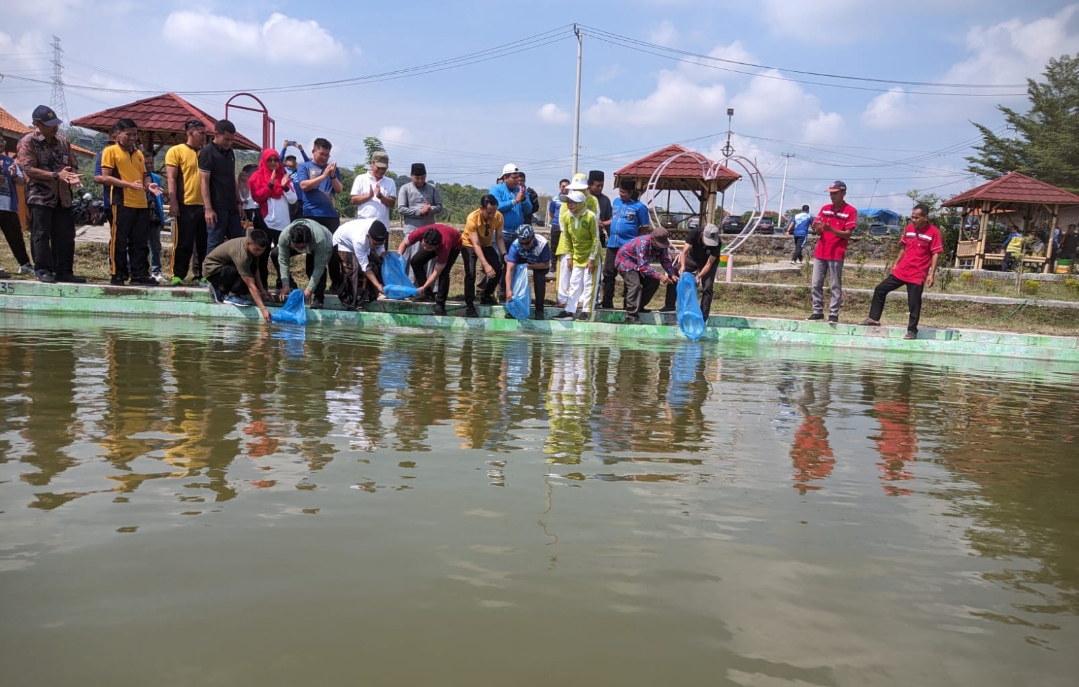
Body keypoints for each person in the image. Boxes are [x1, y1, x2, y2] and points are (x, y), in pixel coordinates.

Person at [16, 105, 85, 284]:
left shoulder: (63, 140)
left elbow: (72, 162)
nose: (54, 127)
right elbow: (28, 169)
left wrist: (72, 176)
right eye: (49, 124)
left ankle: (64, 271)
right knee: (41, 233)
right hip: (40, 196)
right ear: (37, 124)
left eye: (56, 123)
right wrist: (56, 175)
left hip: (63, 196)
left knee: (66, 234)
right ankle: (43, 269)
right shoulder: (27, 142)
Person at [859, 204, 943, 340]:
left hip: (918, 273)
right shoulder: (909, 228)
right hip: (902, 270)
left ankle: (912, 331)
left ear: (925, 217)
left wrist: (931, 274)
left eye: (916, 217)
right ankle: (874, 319)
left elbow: (935, 254)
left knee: (914, 303)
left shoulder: (934, 232)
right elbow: (903, 247)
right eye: (912, 217)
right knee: (880, 289)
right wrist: (896, 263)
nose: (913, 220)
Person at [100, 118, 161, 286]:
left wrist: (149, 185)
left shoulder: (139, 153)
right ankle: (117, 274)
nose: (133, 138)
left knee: (140, 241)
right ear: (116, 135)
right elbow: (105, 176)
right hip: (121, 201)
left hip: (141, 203)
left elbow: (144, 176)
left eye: (135, 134)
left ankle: (139, 274)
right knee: (119, 240)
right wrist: (127, 184)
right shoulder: (110, 151)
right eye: (128, 134)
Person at [164, 119, 208, 285]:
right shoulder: (176, 151)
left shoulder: (205, 153)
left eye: (205, 133)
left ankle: (201, 275)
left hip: (204, 206)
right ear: (190, 132)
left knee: (202, 243)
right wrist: (174, 202)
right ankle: (178, 274)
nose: (204, 136)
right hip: (185, 204)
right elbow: (171, 178)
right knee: (183, 241)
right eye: (201, 133)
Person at [297, 138, 343, 291]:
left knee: (334, 250)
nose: (324, 157)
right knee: (313, 250)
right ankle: (315, 286)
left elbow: (339, 189)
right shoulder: (305, 166)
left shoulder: (333, 169)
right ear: (313, 151)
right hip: (312, 215)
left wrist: (332, 176)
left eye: (327, 155)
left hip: (331, 215)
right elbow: (304, 186)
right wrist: (323, 175)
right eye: (321, 154)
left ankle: (336, 284)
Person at [247, 149, 297, 289]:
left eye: (276, 160)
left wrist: (284, 186)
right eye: (270, 160)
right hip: (264, 221)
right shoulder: (257, 176)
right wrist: (270, 184)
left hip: (283, 224)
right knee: (261, 256)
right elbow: (257, 196)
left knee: (282, 256)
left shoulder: (285, 177)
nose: (273, 163)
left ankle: (284, 283)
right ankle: (261, 285)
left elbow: (293, 200)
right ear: (264, 161)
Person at [807, 180, 856, 323]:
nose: (832, 196)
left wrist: (831, 230)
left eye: (835, 193)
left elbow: (847, 234)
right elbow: (818, 229)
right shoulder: (825, 208)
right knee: (816, 283)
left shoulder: (850, 211)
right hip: (821, 251)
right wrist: (816, 228)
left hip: (836, 253)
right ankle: (817, 311)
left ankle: (833, 313)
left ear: (843, 193)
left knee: (835, 284)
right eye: (831, 194)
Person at [203, 228, 274, 323]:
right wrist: (263, 309)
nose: (259, 253)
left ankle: (221, 288)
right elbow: (250, 284)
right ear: (248, 243)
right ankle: (231, 296)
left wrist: (262, 290)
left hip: (225, 267)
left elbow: (255, 269)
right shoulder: (242, 256)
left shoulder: (252, 249)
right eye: (256, 250)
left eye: (262, 250)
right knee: (246, 279)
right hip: (212, 271)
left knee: (249, 273)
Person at [600, 178, 650, 309]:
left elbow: (644, 227)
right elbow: (614, 219)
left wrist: (634, 240)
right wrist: (605, 223)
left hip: (628, 248)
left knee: (629, 275)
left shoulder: (640, 207)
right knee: (608, 273)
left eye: (624, 192)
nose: (621, 194)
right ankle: (607, 302)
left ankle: (628, 305)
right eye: (620, 191)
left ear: (631, 192)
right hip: (612, 245)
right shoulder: (616, 202)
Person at [551, 190, 600, 321]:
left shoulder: (590, 216)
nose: (570, 205)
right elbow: (566, 237)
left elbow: (596, 239)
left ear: (581, 203)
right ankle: (569, 311)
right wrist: (569, 256)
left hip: (591, 255)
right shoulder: (567, 216)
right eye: (568, 202)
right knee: (574, 282)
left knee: (588, 282)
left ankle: (586, 312)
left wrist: (591, 258)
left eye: (573, 202)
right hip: (577, 255)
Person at [615, 227, 678, 324]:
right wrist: (660, 276)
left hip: (639, 264)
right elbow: (643, 266)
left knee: (653, 282)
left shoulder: (662, 246)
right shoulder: (643, 243)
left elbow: (665, 260)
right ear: (652, 239)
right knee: (635, 285)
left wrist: (671, 273)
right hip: (626, 262)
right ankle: (631, 315)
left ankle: (639, 306)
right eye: (658, 244)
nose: (660, 247)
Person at [397, 223, 461, 316]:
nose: (425, 248)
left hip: (454, 245)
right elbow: (404, 243)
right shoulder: (420, 232)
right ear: (422, 239)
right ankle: (427, 295)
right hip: (436, 240)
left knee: (443, 273)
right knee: (415, 261)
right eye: (424, 245)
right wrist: (398, 259)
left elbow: (436, 273)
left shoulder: (444, 246)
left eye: (429, 247)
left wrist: (423, 287)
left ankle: (440, 304)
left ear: (436, 246)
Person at [198, 119, 242, 254]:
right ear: (216, 134)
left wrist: (239, 201)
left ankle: (234, 274)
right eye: (226, 139)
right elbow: (203, 182)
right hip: (216, 206)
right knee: (215, 242)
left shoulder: (230, 152)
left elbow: (232, 178)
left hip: (232, 205)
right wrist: (208, 209)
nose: (229, 143)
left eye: (231, 140)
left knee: (237, 242)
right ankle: (210, 274)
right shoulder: (207, 152)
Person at [662, 223, 722, 319]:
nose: (708, 244)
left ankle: (703, 316)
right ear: (702, 235)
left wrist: (698, 276)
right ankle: (669, 305)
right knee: (674, 272)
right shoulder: (695, 232)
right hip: (693, 257)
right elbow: (684, 252)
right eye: (707, 241)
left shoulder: (718, 243)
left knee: (708, 286)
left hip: (708, 262)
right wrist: (682, 266)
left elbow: (709, 264)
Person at [461, 194, 505, 318]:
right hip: (469, 245)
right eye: (488, 212)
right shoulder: (472, 218)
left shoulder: (499, 216)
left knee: (497, 270)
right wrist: (485, 264)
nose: (491, 215)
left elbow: (499, 238)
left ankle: (486, 296)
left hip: (486, 245)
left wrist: (505, 254)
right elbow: (475, 244)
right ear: (481, 208)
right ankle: (469, 305)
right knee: (470, 274)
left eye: (494, 212)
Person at [275, 218, 333, 307]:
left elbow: (319, 267)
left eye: (303, 247)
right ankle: (291, 287)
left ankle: (318, 298)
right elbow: (283, 262)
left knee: (312, 267)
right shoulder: (284, 237)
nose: (301, 249)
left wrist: (309, 289)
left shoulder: (319, 239)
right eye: (298, 247)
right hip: (302, 243)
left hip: (323, 243)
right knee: (275, 254)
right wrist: (285, 284)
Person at [333, 218, 388, 310]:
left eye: (380, 243)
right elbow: (365, 267)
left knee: (376, 264)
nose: (378, 246)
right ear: (368, 236)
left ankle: (367, 296)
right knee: (355, 270)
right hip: (344, 243)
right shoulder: (360, 240)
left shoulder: (381, 232)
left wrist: (383, 257)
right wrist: (378, 285)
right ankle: (352, 302)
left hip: (361, 245)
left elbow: (381, 252)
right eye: (375, 244)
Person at [0, 139, 33, 278]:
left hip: (8, 205)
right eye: (0, 140)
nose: (2, 143)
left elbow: (21, 181)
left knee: (15, 236)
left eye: (3, 140)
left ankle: (24, 264)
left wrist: (13, 176)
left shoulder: (9, 161)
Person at [504, 224, 551, 320]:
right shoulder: (515, 245)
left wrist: (530, 266)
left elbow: (546, 264)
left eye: (527, 243)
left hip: (539, 264)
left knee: (539, 279)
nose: (524, 246)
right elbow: (510, 269)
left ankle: (539, 310)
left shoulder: (542, 243)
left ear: (533, 237)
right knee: (515, 279)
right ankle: (515, 309)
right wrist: (508, 290)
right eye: (522, 243)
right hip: (521, 263)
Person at [490, 163, 532, 256]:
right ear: (505, 178)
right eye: (514, 178)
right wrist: (515, 201)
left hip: (517, 234)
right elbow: (497, 207)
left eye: (518, 178)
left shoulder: (520, 190)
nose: (517, 180)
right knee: (498, 262)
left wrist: (524, 199)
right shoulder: (496, 189)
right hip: (501, 233)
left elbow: (529, 210)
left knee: (515, 263)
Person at [350, 150, 396, 228]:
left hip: (382, 227)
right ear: (371, 163)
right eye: (379, 168)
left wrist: (381, 196)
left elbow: (392, 203)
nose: (381, 171)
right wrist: (368, 196)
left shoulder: (390, 182)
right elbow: (353, 200)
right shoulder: (361, 178)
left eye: (384, 168)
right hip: (363, 226)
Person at [143, 151, 166, 282]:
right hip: (141, 216)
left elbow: (159, 200)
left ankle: (156, 271)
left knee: (155, 245)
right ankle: (140, 269)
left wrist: (162, 217)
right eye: (146, 163)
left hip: (154, 216)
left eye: (151, 162)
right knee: (140, 245)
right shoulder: (138, 177)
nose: (149, 165)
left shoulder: (156, 178)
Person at [279, 139, 309, 222]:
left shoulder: (300, 170)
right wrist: (284, 148)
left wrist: (301, 150)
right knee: (290, 221)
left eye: (293, 159)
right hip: (289, 200)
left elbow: (309, 164)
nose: (292, 160)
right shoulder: (283, 170)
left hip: (301, 200)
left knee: (301, 222)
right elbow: (279, 161)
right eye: (289, 159)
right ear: (285, 162)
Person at [547, 177, 569, 275]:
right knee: (554, 246)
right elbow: (551, 212)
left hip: (568, 226)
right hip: (556, 225)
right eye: (563, 186)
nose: (565, 188)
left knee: (567, 246)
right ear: (560, 187)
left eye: (567, 186)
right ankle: (553, 266)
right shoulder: (555, 199)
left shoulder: (572, 198)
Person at [588, 170, 613, 245]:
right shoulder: (582, 198)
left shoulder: (605, 200)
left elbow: (608, 221)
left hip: (598, 237)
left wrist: (611, 238)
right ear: (589, 185)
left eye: (602, 185)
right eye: (598, 186)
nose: (600, 188)